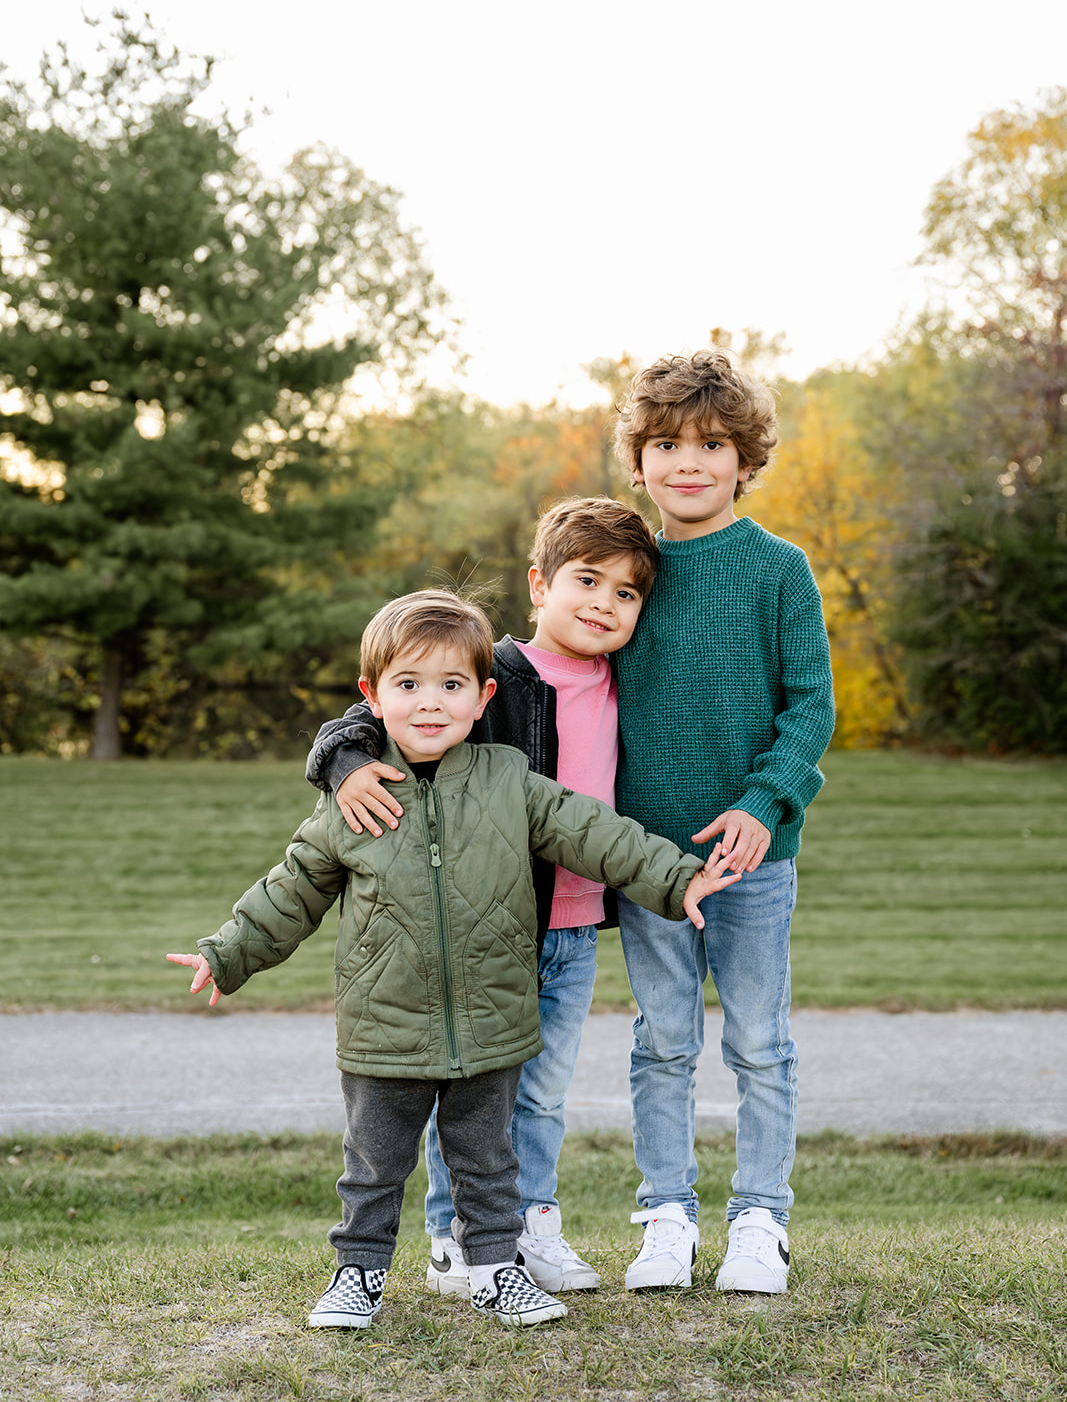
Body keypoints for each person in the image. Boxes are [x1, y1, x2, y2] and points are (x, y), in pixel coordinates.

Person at [168, 588, 738, 1331]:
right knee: (374, 1165)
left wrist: (674, 877)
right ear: (372, 696)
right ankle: (358, 1275)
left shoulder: (508, 780)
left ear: (482, 697)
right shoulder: (357, 796)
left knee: (487, 1161)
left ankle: (496, 1270)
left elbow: (595, 834)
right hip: (384, 1027)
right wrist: (228, 953)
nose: (429, 703)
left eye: (450, 686)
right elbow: (293, 886)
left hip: (491, 1019)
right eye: (407, 685)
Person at [305, 498, 665, 1298]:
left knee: (538, 1095)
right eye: (586, 581)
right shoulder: (488, 671)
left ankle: (526, 1231)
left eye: (626, 593)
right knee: (457, 1082)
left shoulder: (629, 677)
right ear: (539, 584)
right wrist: (339, 763)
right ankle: (448, 1238)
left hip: (572, 925)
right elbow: (365, 719)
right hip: (486, 921)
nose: (604, 603)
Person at [610, 348, 835, 1295]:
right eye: (665, 443)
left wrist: (760, 802)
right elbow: (550, 674)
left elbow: (809, 707)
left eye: (710, 443)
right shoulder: (624, 573)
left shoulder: (778, 570)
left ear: (745, 460)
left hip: (750, 859)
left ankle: (758, 1221)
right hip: (647, 861)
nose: (687, 461)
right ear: (639, 462)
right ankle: (666, 1213)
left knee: (756, 1042)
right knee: (662, 1041)